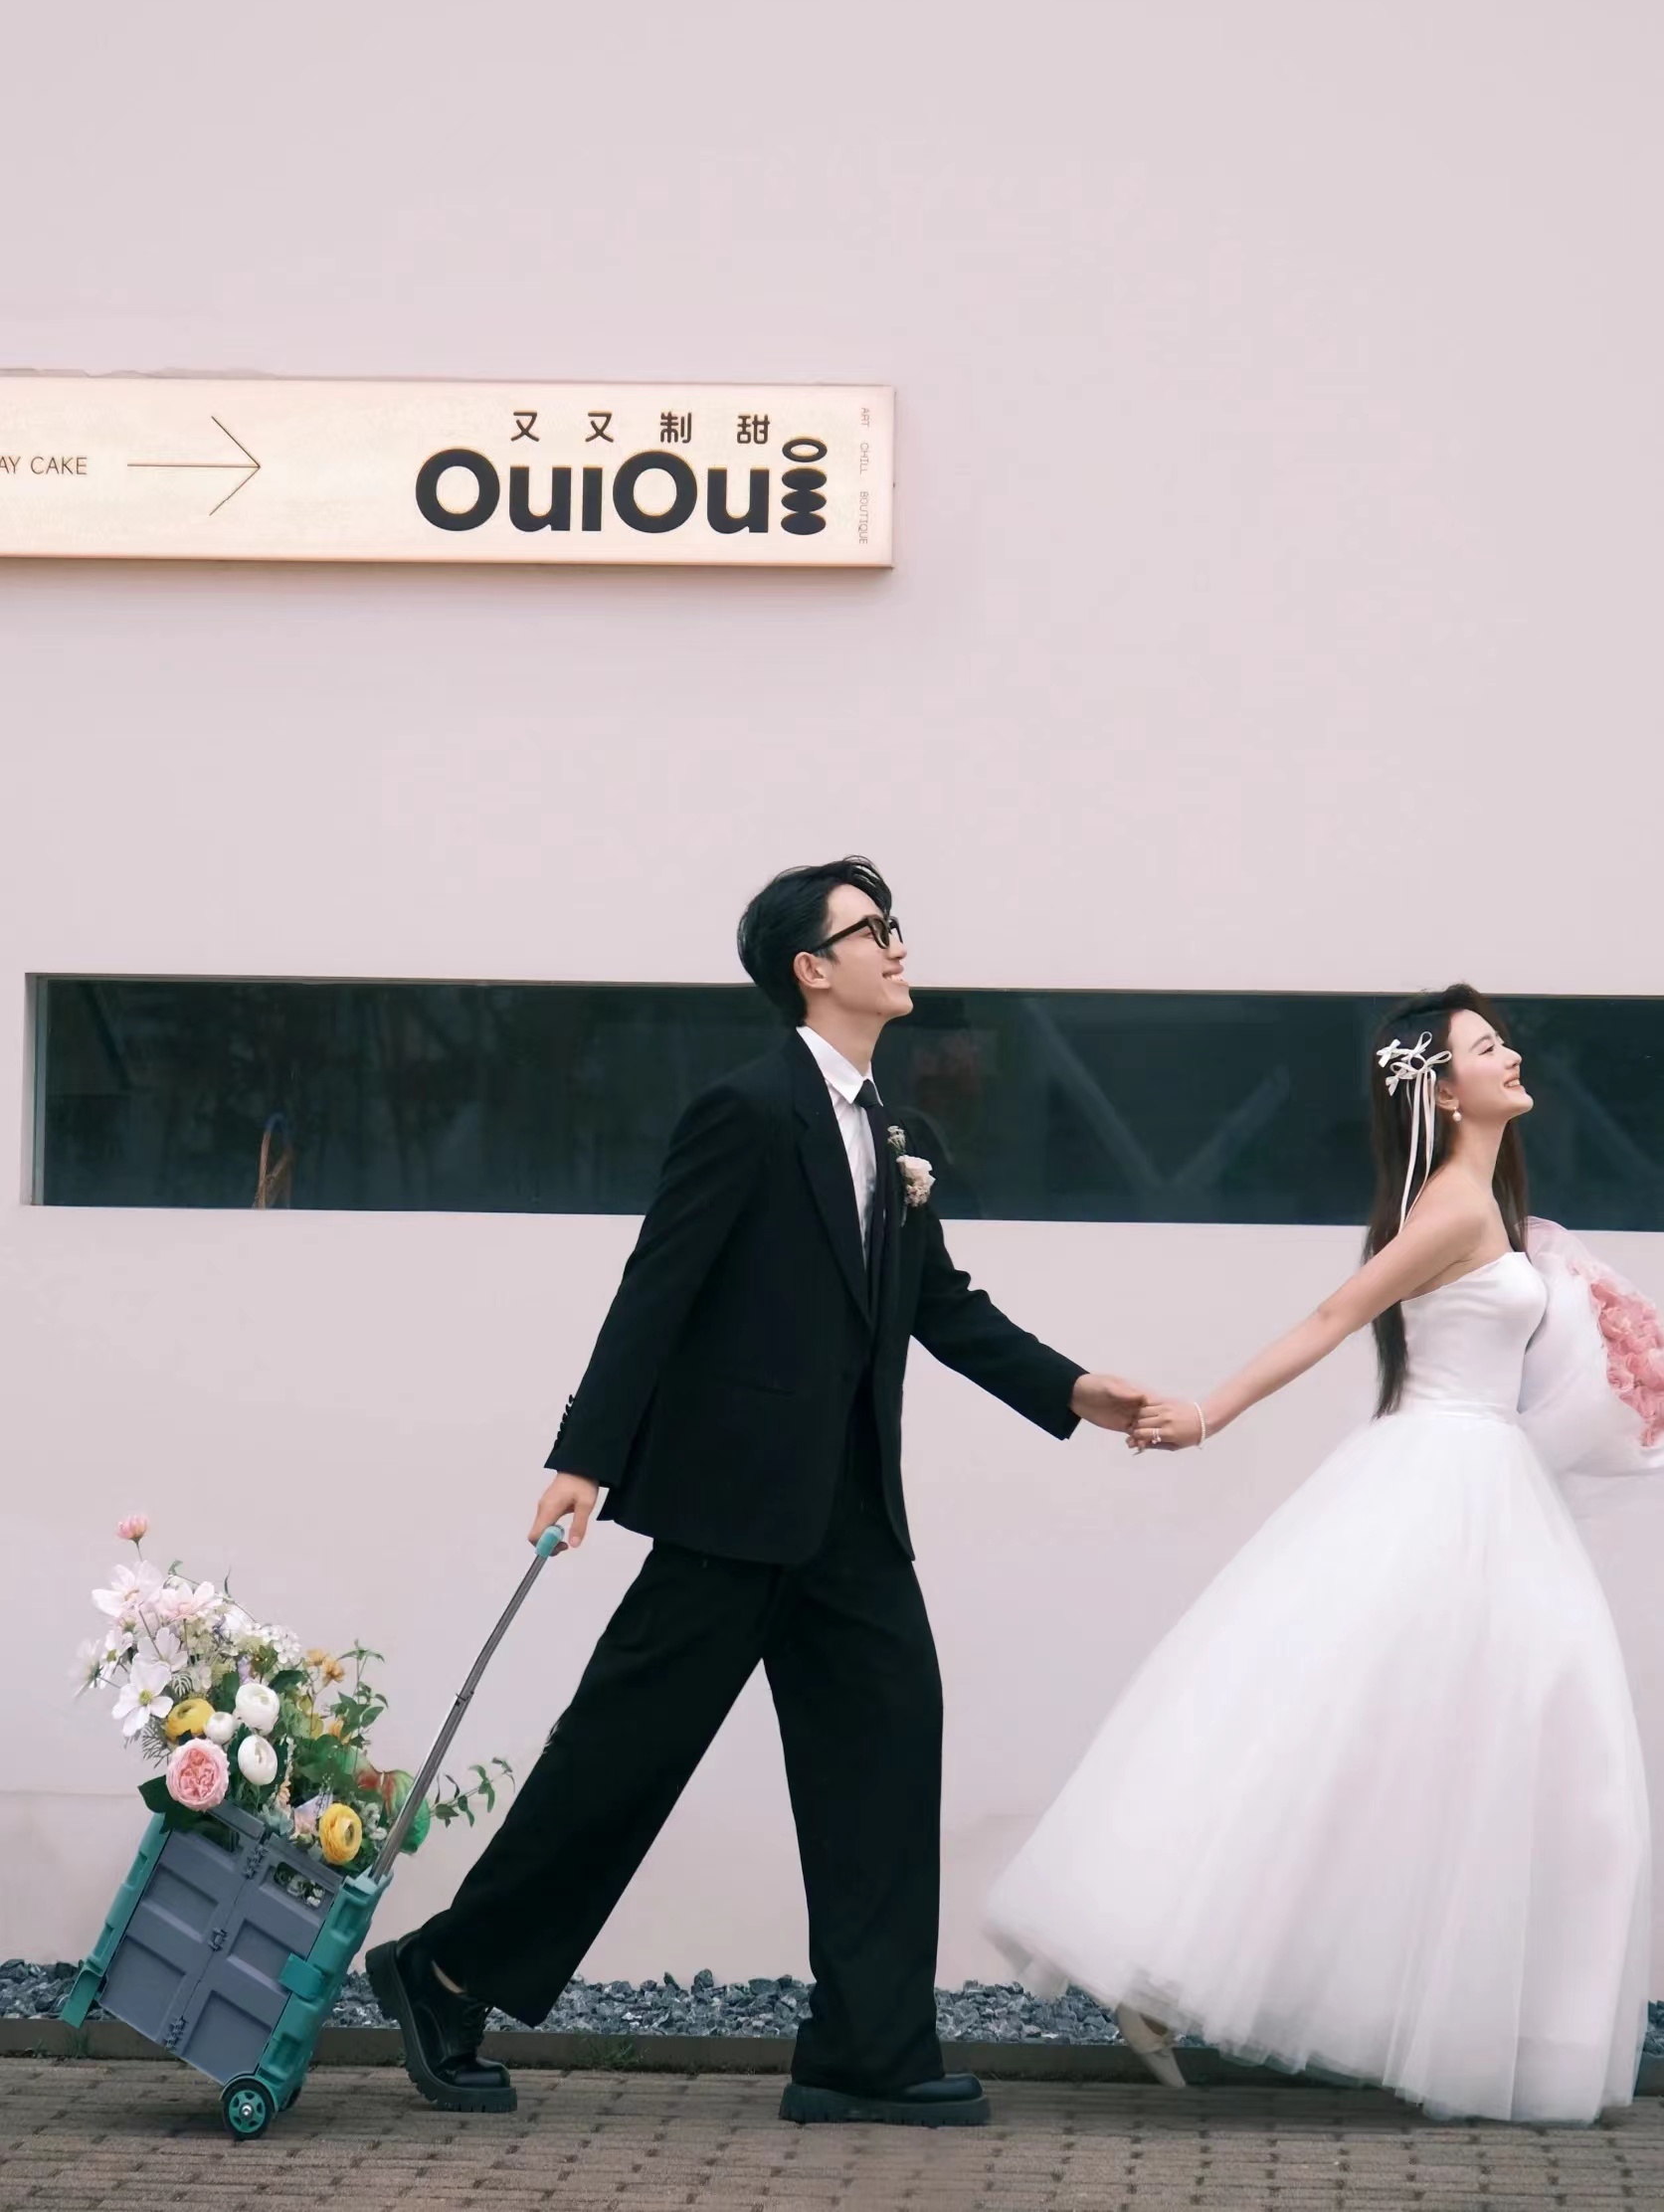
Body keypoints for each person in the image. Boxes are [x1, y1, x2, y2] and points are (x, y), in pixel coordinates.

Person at [370, 857, 1145, 2126]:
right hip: (728, 1510)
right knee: (621, 1758)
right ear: (811, 966)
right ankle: (444, 1971)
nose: (897, 944)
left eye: (893, 925)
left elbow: (938, 1303)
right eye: (871, 928)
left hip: (851, 1518)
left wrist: (1071, 1390)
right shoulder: (743, 1109)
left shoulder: (897, 1131)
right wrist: (584, 1456)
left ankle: (865, 2049)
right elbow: (657, 1283)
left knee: (885, 1755)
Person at [986, 987, 1653, 2125]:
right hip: (1444, 1480)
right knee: (1392, 1741)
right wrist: (1208, 1411)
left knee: (1432, 1751)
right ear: (1443, 1091)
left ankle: (1437, 2012)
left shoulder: (1484, 1204)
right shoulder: (1451, 1205)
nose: (1510, 1055)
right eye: (1484, 1046)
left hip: (1483, 1480)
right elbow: (1334, 1315)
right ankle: (1163, 1960)